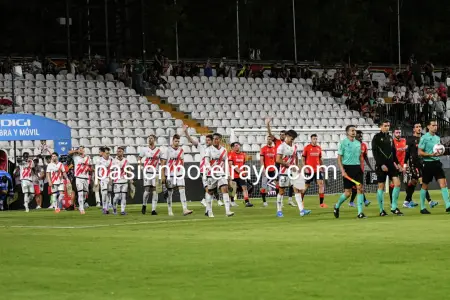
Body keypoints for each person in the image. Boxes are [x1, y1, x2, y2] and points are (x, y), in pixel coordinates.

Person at [183, 126, 223, 213]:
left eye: (208, 140)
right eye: (206, 140)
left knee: (212, 190)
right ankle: (208, 206)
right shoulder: (202, 147)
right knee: (208, 189)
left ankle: (207, 207)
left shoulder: (215, 150)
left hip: (214, 171)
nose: (207, 141)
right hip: (204, 171)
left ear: (212, 141)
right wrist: (186, 132)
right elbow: (191, 140)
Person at [276, 130, 311, 217]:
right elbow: (277, 159)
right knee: (281, 191)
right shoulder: (281, 147)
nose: (292, 141)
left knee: (298, 189)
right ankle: (279, 211)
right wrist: (286, 164)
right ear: (286, 136)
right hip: (284, 172)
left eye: (293, 139)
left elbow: (295, 157)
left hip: (293, 171)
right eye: (291, 139)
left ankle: (302, 210)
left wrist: (297, 167)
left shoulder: (295, 146)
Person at [417, 119, 450, 214]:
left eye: (436, 125)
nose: (435, 127)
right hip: (428, 164)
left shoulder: (437, 138)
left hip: (437, 163)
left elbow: (438, 151)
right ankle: (422, 207)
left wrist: (439, 153)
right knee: (424, 186)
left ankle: (448, 205)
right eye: (433, 125)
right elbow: (420, 152)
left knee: (443, 183)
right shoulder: (424, 138)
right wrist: (430, 155)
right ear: (428, 127)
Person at [372, 120, 403, 216]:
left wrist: (397, 163)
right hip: (381, 165)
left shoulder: (390, 137)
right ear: (380, 126)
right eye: (385, 125)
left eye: (388, 126)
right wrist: (381, 164)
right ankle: (381, 210)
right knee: (381, 187)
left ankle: (393, 207)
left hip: (390, 164)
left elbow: (393, 151)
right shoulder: (376, 137)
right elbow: (375, 152)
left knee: (397, 184)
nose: (387, 127)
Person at [334, 125, 366, 219]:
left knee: (360, 188)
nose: (354, 132)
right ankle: (337, 206)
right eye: (352, 130)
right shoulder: (343, 143)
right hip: (347, 169)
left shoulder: (358, 143)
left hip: (357, 168)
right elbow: (339, 158)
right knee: (348, 193)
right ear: (347, 132)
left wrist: (361, 168)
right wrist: (342, 171)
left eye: (354, 130)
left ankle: (360, 213)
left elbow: (360, 157)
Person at [404, 122, 437, 208]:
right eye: (417, 127)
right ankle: (430, 201)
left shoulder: (424, 138)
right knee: (423, 181)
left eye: (420, 126)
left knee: (413, 182)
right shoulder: (410, 139)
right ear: (414, 129)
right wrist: (404, 163)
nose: (419, 128)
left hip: (422, 163)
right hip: (413, 163)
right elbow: (407, 153)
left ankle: (407, 201)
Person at [161, 134, 193, 216]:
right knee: (170, 193)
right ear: (172, 141)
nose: (177, 142)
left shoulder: (181, 150)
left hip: (179, 173)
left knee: (182, 191)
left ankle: (185, 209)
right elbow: (163, 163)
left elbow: (182, 162)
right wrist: (163, 175)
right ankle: (170, 210)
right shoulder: (167, 150)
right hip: (170, 174)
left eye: (178, 141)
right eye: (176, 141)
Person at [265, 117, 295, 206]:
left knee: (292, 183)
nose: (282, 135)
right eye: (280, 134)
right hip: (279, 164)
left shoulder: (291, 144)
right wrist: (267, 125)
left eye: (283, 134)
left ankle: (290, 199)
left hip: (289, 165)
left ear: (286, 135)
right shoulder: (277, 141)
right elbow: (270, 134)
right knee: (279, 183)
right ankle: (280, 201)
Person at [204, 133, 234, 217]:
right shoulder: (208, 149)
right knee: (210, 192)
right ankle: (209, 211)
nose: (215, 140)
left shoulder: (224, 150)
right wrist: (209, 168)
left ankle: (228, 211)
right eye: (214, 139)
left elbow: (226, 163)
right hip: (211, 174)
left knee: (225, 189)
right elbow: (206, 161)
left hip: (221, 173)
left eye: (217, 139)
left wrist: (227, 175)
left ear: (220, 140)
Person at [138, 135, 162, 215]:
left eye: (151, 138)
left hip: (156, 173)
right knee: (147, 191)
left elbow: (162, 161)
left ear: (154, 140)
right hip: (147, 173)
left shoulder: (158, 150)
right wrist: (140, 166)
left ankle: (153, 210)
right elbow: (139, 158)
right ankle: (144, 205)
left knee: (155, 192)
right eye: (149, 138)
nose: (150, 140)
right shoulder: (144, 149)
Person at [302, 134, 327, 208]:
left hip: (318, 170)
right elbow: (303, 159)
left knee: (321, 185)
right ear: (311, 139)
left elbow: (319, 159)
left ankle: (321, 203)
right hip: (309, 170)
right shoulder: (307, 148)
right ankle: (301, 201)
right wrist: (305, 167)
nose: (315, 140)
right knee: (306, 186)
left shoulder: (319, 148)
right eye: (314, 139)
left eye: (316, 139)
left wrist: (322, 167)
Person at [349, 130, 372, 207]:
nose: (360, 137)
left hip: (361, 169)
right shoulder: (352, 145)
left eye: (361, 135)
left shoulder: (364, 145)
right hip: (353, 168)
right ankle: (364, 201)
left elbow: (365, 157)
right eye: (359, 135)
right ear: (355, 136)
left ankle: (352, 202)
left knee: (358, 186)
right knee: (356, 187)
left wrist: (370, 167)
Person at [228, 142, 253, 207]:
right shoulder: (231, 154)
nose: (237, 147)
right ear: (232, 147)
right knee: (233, 189)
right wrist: (239, 171)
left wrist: (244, 172)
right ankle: (232, 201)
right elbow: (231, 164)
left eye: (238, 145)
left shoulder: (243, 155)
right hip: (233, 174)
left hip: (241, 175)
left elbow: (243, 164)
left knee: (245, 188)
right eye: (235, 146)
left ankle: (247, 202)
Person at [69, 146, 92, 215]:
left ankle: (81, 205)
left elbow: (90, 166)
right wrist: (76, 151)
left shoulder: (88, 157)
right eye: (80, 149)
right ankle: (81, 209)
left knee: (85, 194)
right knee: (80, 193)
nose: (81, 150)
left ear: (84, 150)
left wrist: (90, 170)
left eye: (82, 149)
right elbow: (69, 153)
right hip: (78, 177)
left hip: (86, 177)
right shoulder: (75, 157)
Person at [389, 128, 407, 205]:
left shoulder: (404, 141)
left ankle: (408, 200)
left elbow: (406, 153)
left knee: (408, 182)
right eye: (397, 132)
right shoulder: (392, 142)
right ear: (393, 133)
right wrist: (396, 165)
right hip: (395, 166)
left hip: (404, 165)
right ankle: (392, 201)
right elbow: (392, 155)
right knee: (393, 184)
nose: (398, 134)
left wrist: (406, 164)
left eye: (399, 132)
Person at [260, 136, 277, 207]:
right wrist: (263, 169)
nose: (269, 140)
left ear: (272, 140)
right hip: (265, 170)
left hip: (272, 170)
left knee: (275, 186)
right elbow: (261, 160)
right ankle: (264, 201)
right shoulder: (263, 149)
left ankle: (277, 201)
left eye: (270, 139)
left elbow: (276, 160)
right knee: (264, 186)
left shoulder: (274, 149)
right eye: (268, 139)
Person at [112, 146, 129, 215]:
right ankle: (114, 208)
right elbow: (111, 170)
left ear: (123, 152)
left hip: (124, 180)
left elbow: (128, 170)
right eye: (117, 151)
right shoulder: (113, 160)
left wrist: (130, 179)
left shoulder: (126, 160)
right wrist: (111, 179)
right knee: (116, 196)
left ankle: (122, 210)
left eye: (120, 151)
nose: (118, 152)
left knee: (123, 196)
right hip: (117, 180)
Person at [98, 147, 113, 214]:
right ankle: (104, 207)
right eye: (107, 153)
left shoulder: (112, 159)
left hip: (110, 178)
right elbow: (97, 170)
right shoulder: (99, 161)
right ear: (103, 153)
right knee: (104, 193)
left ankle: (107, 207)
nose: (108, 154)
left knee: (109, 193)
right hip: (103, 178)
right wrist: (97, 180)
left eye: (108, 153)